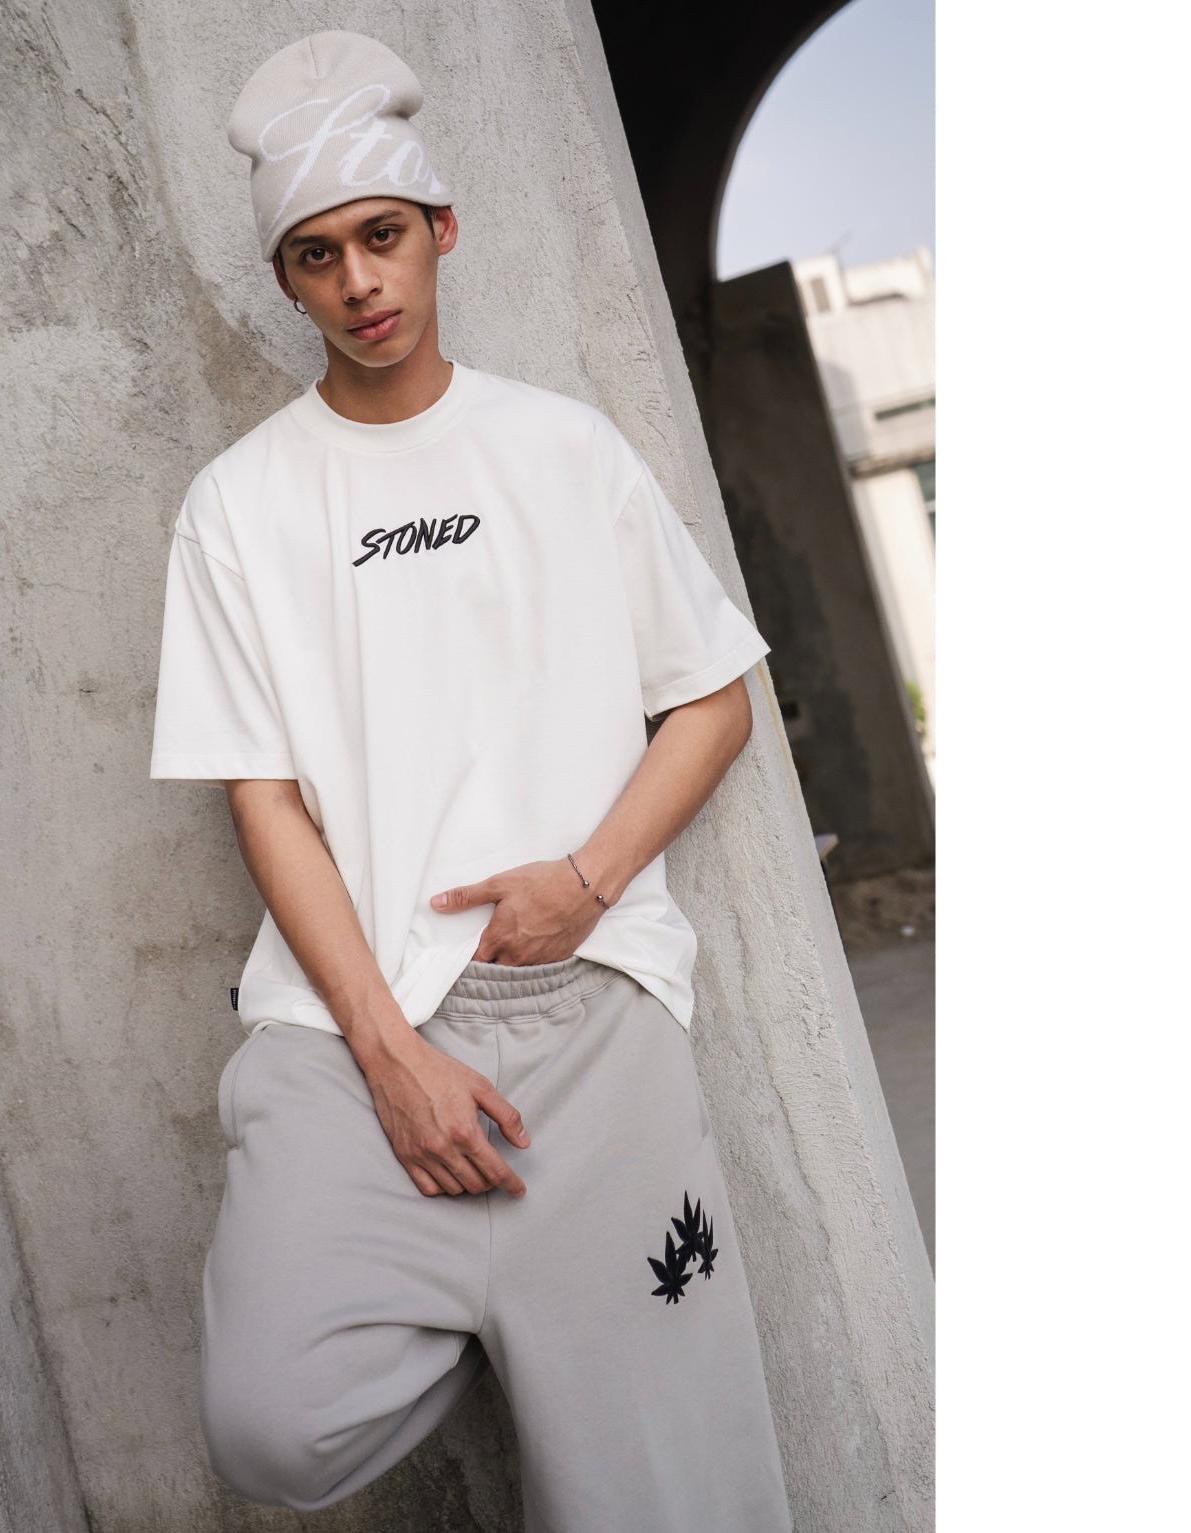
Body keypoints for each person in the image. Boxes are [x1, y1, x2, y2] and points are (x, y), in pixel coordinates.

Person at [150, 29, 793, 1533]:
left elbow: (711, 697)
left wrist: (583, 884)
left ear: (442, 229)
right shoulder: (237, 506)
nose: (359, 282)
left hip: (588, 1015)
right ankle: (520, 1323)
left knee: (667, 1497)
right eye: (318, 256)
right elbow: (262, 798)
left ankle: (575, 1334)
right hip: (351, 1030)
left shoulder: (562, 450)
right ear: (287, 282)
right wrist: (389, 1057)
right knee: (271, 1421)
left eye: (382, 235)